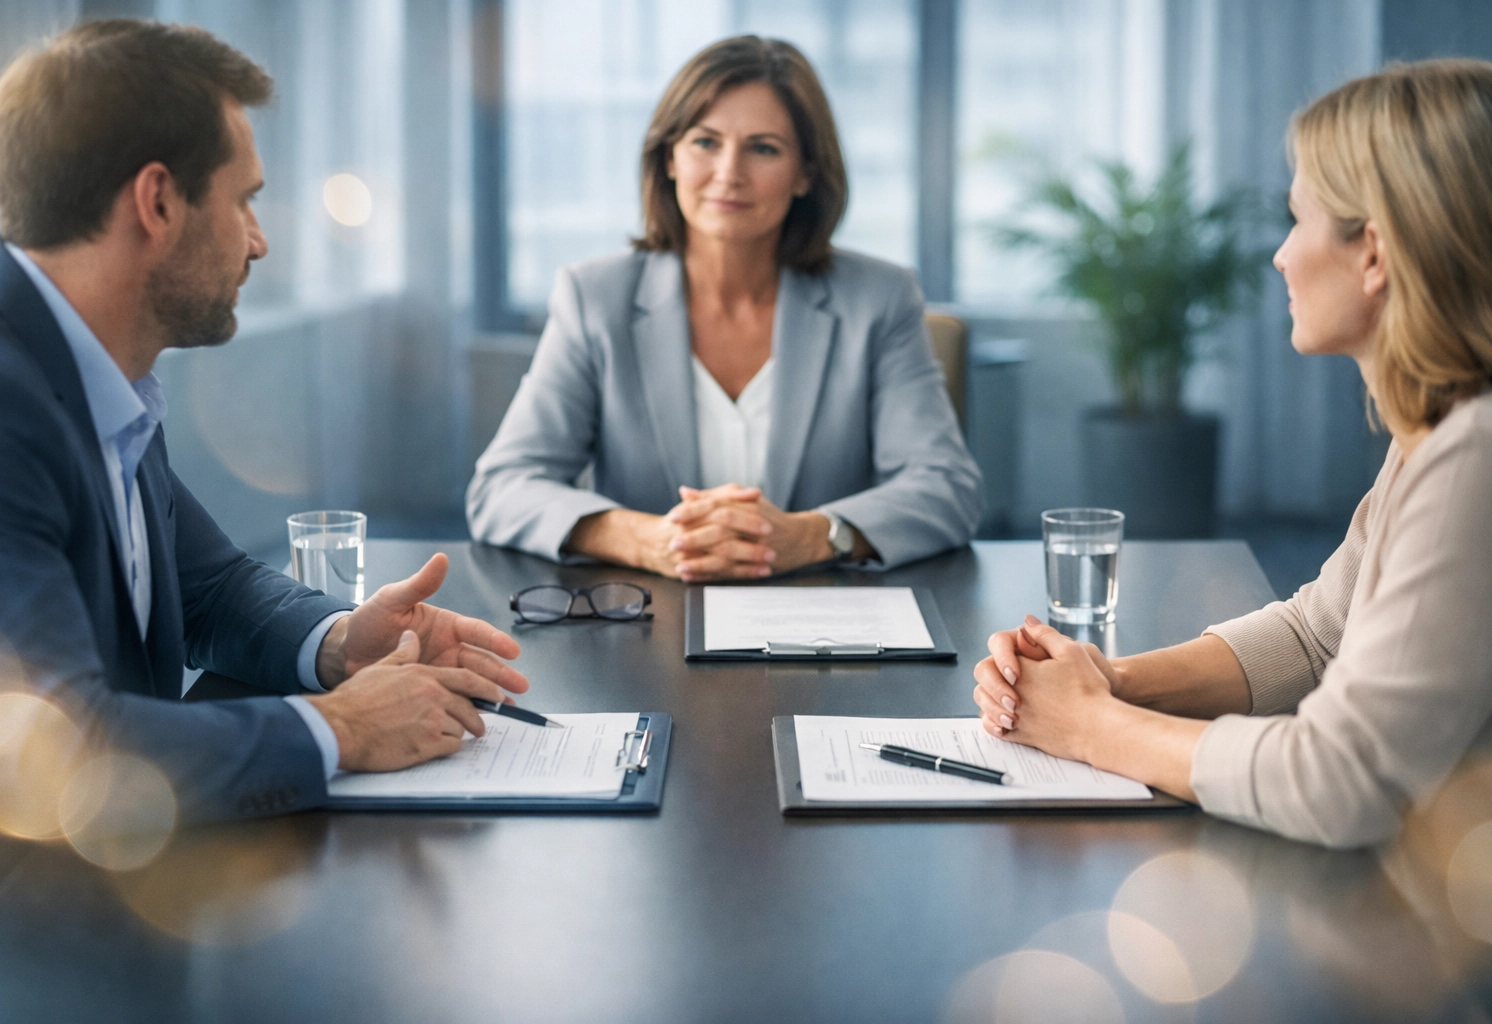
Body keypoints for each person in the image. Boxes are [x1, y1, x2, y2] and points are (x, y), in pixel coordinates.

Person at [0, 20, 531, 823]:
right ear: (157, 201)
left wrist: (341, 645)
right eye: (246, 199)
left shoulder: (91, 364)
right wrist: (342, 727)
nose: (258, 242)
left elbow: (209, 590)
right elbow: (48, 753)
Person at [972, 59, 1492, 849]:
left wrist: (1091, 725)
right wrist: (1114, 680)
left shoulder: (1474, 454)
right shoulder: (1443, 427)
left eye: (1299, 221)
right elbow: (1320, 639)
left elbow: (1344, 781)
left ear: (1376, 254)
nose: (1281, 256)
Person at [467, 36, 983, 580]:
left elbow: (946, 487)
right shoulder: (594, 297)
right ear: (669, 156)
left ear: (806, 172)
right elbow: (502, 487)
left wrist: (812, 536)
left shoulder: (879, 298)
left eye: (763, 148)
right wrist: (645, 539)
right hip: (642, 632)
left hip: (824, 636)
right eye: (705, 142)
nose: (729, 172)